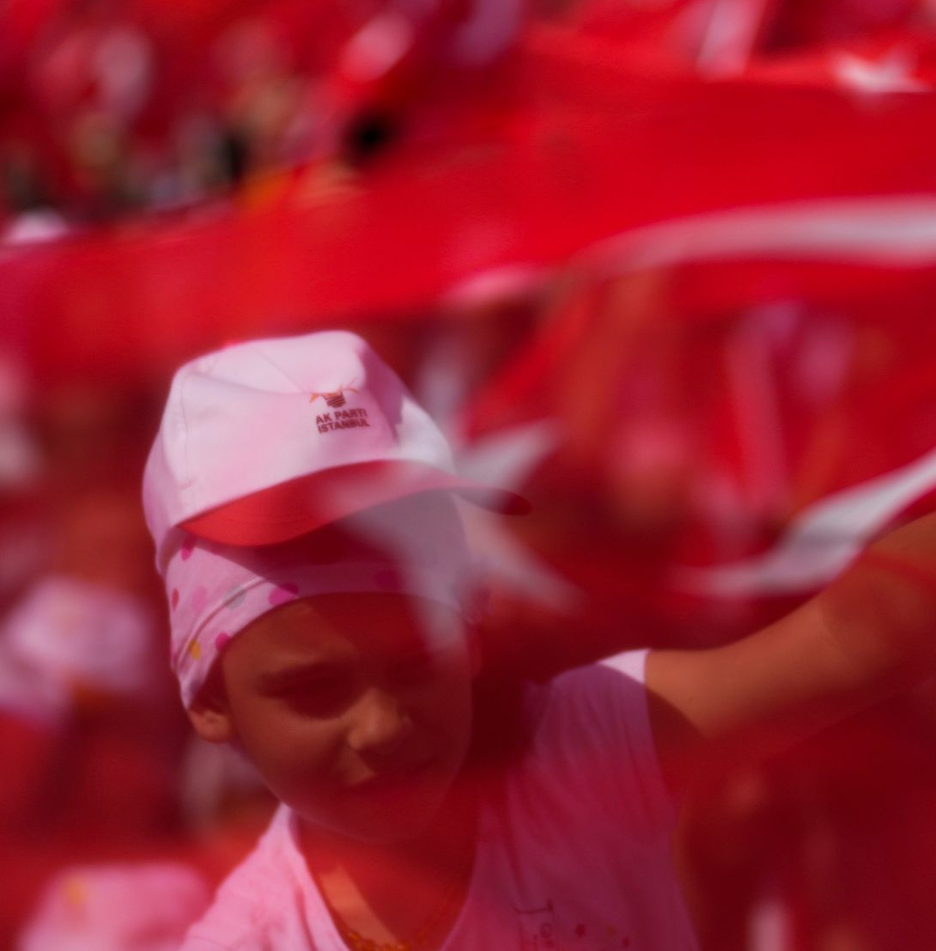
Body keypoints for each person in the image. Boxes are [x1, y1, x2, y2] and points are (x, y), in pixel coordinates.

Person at [142, 329, 936, 950]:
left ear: (472, 630)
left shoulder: (583, 753)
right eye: (313, 689)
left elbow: (859, 633)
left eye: (421, 660)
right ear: (210, 696)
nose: (382, 725)